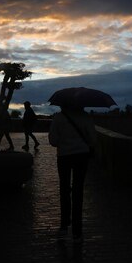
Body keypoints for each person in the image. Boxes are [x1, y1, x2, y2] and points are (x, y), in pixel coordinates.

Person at [48, 104, 97, 242]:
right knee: (78, 190)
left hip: (64, 156)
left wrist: (65, 142)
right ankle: (77, 230)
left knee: (64, 190)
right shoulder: (85, 117)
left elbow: (53, 141)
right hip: (81, 156)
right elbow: (93, 139)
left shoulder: (58, 118)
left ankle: (64, 226)